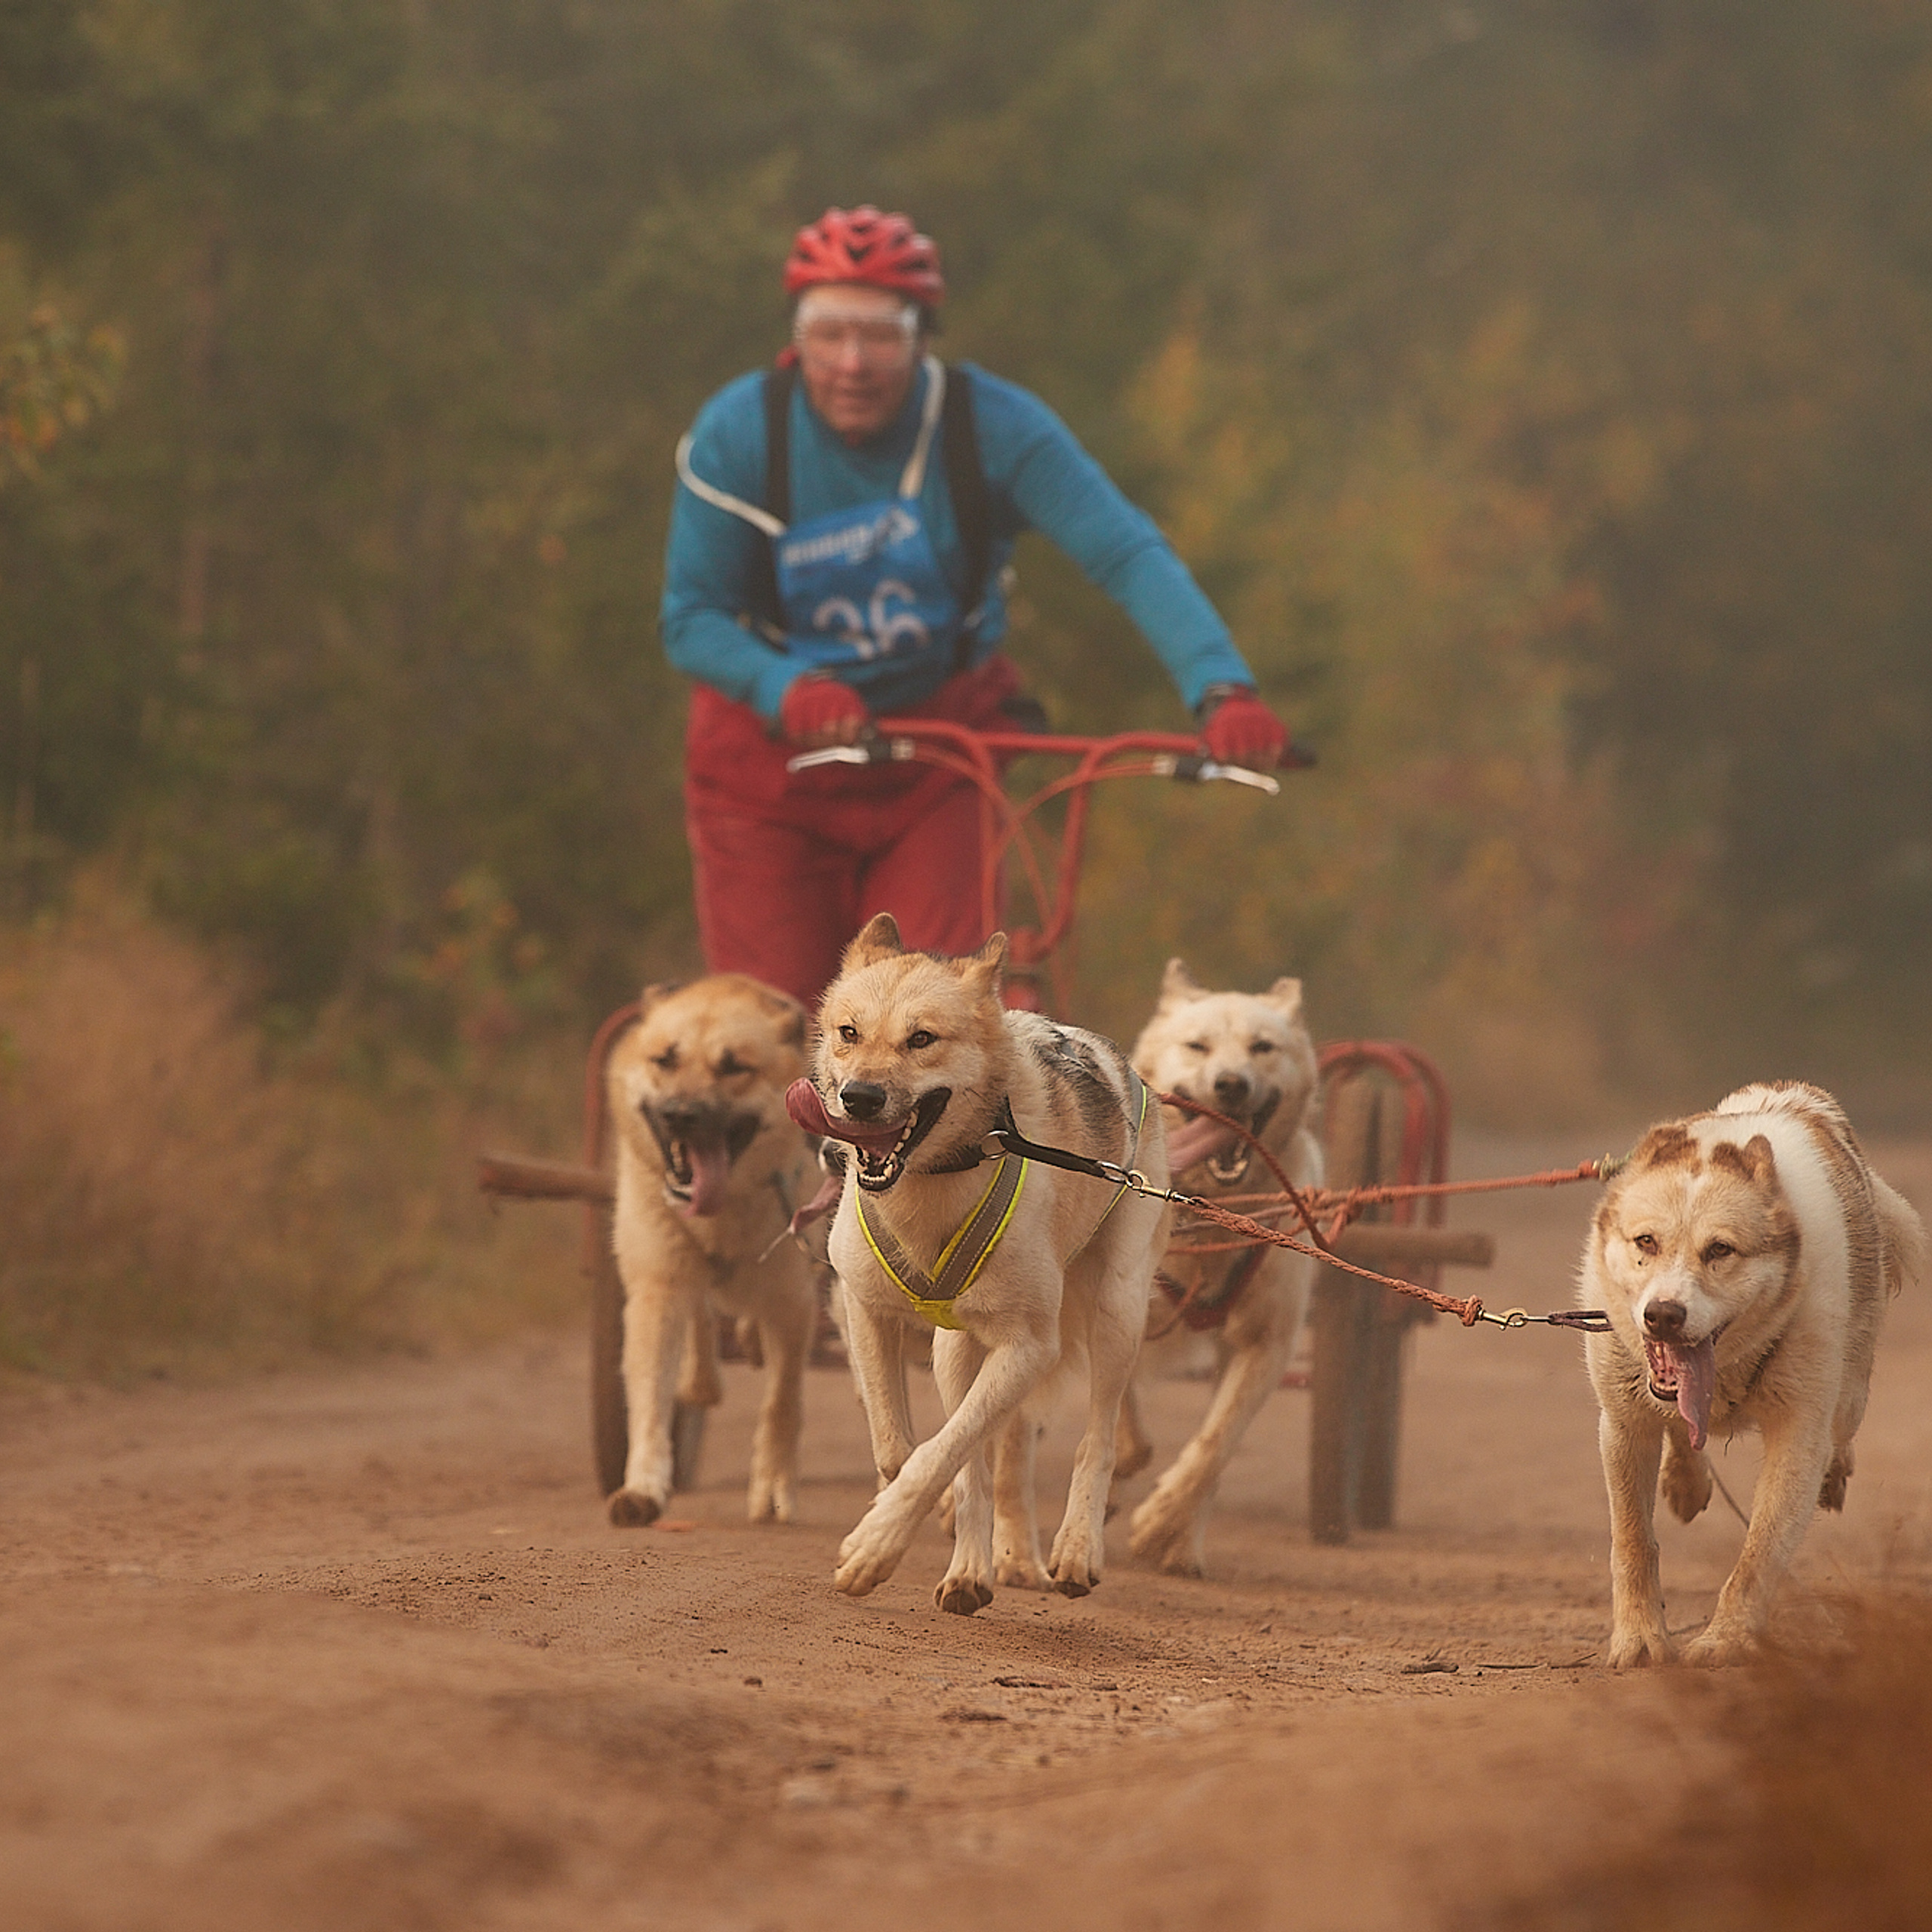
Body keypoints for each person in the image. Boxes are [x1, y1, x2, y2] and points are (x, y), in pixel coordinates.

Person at [660, 205, 1291, 1011]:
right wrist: (789, 688)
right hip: (767, 766)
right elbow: (690, 617)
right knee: (774, 1031)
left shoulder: (995, 429)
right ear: (795, 337)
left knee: (934, 1020)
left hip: (936, 760)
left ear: (923, 337)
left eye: (881, 334)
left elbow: (1126, 552)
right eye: (828, 332)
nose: (852, 362)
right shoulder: (737, 434)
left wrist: (1221, 687)